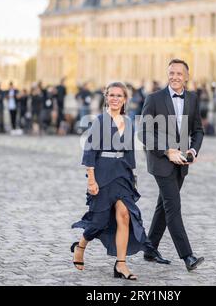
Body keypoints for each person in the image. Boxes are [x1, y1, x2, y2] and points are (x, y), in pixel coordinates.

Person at [71, 82, 157, 280]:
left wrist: (132, 180)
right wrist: (91, 180)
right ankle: (81, 245)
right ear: (106, 97)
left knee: (125, 216)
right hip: (102, 175)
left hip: (122, 176)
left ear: (125, 99)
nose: (115, 98)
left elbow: (129, 153)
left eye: (119, 95)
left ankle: (121, 264)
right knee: (99, 222)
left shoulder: (128, 121)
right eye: (112, 95)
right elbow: (90, 151)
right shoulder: (100, 121)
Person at [139, 59, 205, 271]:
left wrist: (193, 150)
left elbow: (198, 130)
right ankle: (187, 256)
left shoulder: (193, 99)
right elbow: (144, 132)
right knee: (173, 207)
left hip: (182, 163)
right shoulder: (154, 98)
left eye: (179, 73)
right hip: (161, 161)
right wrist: (168, 151)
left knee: (164, 206)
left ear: (186, 76)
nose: (175, 77)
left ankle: (150, 249)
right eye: (171, 73)